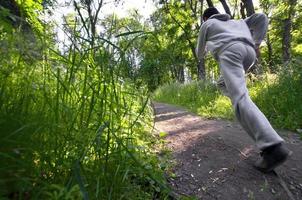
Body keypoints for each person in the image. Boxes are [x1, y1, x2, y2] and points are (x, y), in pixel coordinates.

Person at [196, 7, 291, 173]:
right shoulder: (237, 22)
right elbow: (261, 17)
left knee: (241, 98)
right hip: (249, 53)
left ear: (205, 18)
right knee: (222, 83)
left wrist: (205, 48)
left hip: (230, 51)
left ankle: (273, 148)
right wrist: (256, 43)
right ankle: (240, 101)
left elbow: (199, 54)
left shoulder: (207, 24)